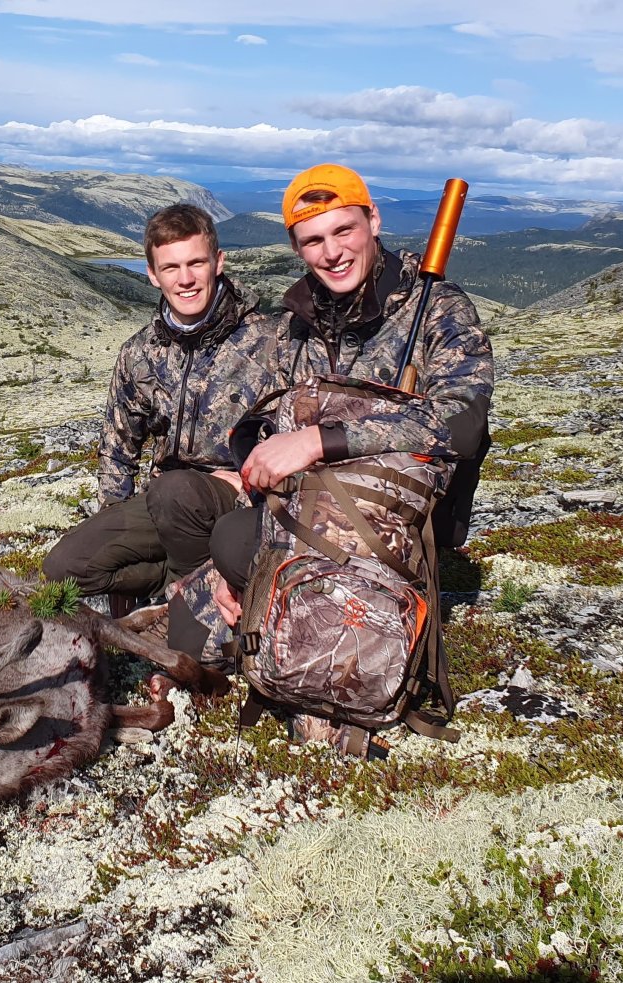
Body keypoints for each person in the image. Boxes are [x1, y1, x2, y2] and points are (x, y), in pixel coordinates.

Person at [173, 162, 494, 749]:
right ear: (297, 248)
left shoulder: (438, 309)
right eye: (313, 241)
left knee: (235, 547)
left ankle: (318, 680)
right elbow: (258, 419)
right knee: (189, 639)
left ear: (373, 220)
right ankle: (273, 626)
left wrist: (321, 441)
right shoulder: (299, 322)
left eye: (344, 231)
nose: (332, 252)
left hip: (389, 524)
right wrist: (261, 456)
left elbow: (464, 423)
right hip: (302, 510)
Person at [42, 204, 285, 614]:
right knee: (63, 568)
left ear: (218, 263)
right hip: (166, 504)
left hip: (243, 504)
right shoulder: (139, 353)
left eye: (196, 263)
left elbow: (296, 435)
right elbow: (118, 449)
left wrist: (252, 481)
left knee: (177, 489)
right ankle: (177, 582)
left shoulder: (272, 342)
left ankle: (191, 601)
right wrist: (114, 521)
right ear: (153, 274)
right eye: (171, 268)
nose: (185, 279)